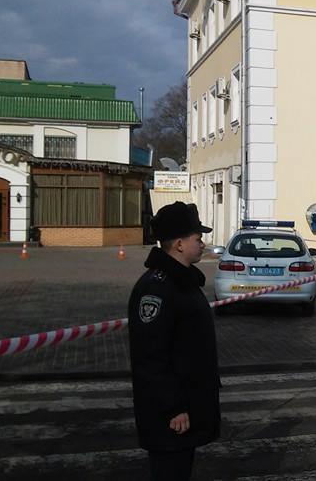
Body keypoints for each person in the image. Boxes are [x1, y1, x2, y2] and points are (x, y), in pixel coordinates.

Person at [128, 202, 220, 481]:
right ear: (179, 244)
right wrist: (173, 407)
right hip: (170, 414)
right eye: (198, 238)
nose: (203, 244)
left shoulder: (182, 281)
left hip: (187, 403)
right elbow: (150, 356)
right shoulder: (157, 288)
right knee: (169, 471)